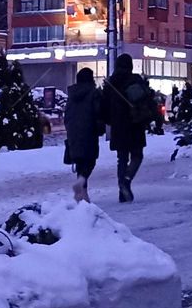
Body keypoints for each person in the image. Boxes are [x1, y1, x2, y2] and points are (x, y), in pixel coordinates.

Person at [101, 53, 154, 203]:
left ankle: (122, 192)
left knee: (122, 158)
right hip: (135, 124)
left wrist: (110, 121)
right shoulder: (136, 80)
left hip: (119, 127)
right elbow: (148, 101)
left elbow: (104, 107)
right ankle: (127, 179)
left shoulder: (111, 83)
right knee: (137, 155)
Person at [64, 67, 103, 202]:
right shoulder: (94, 93)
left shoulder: (72, 94)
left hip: (73, 131)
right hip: (89, 130)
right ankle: (82, 182)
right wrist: (100, 128)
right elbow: (98, 112)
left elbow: (67, 114)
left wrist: (69, 129)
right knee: (90, 160)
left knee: (80, 161)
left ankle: (82, 194)